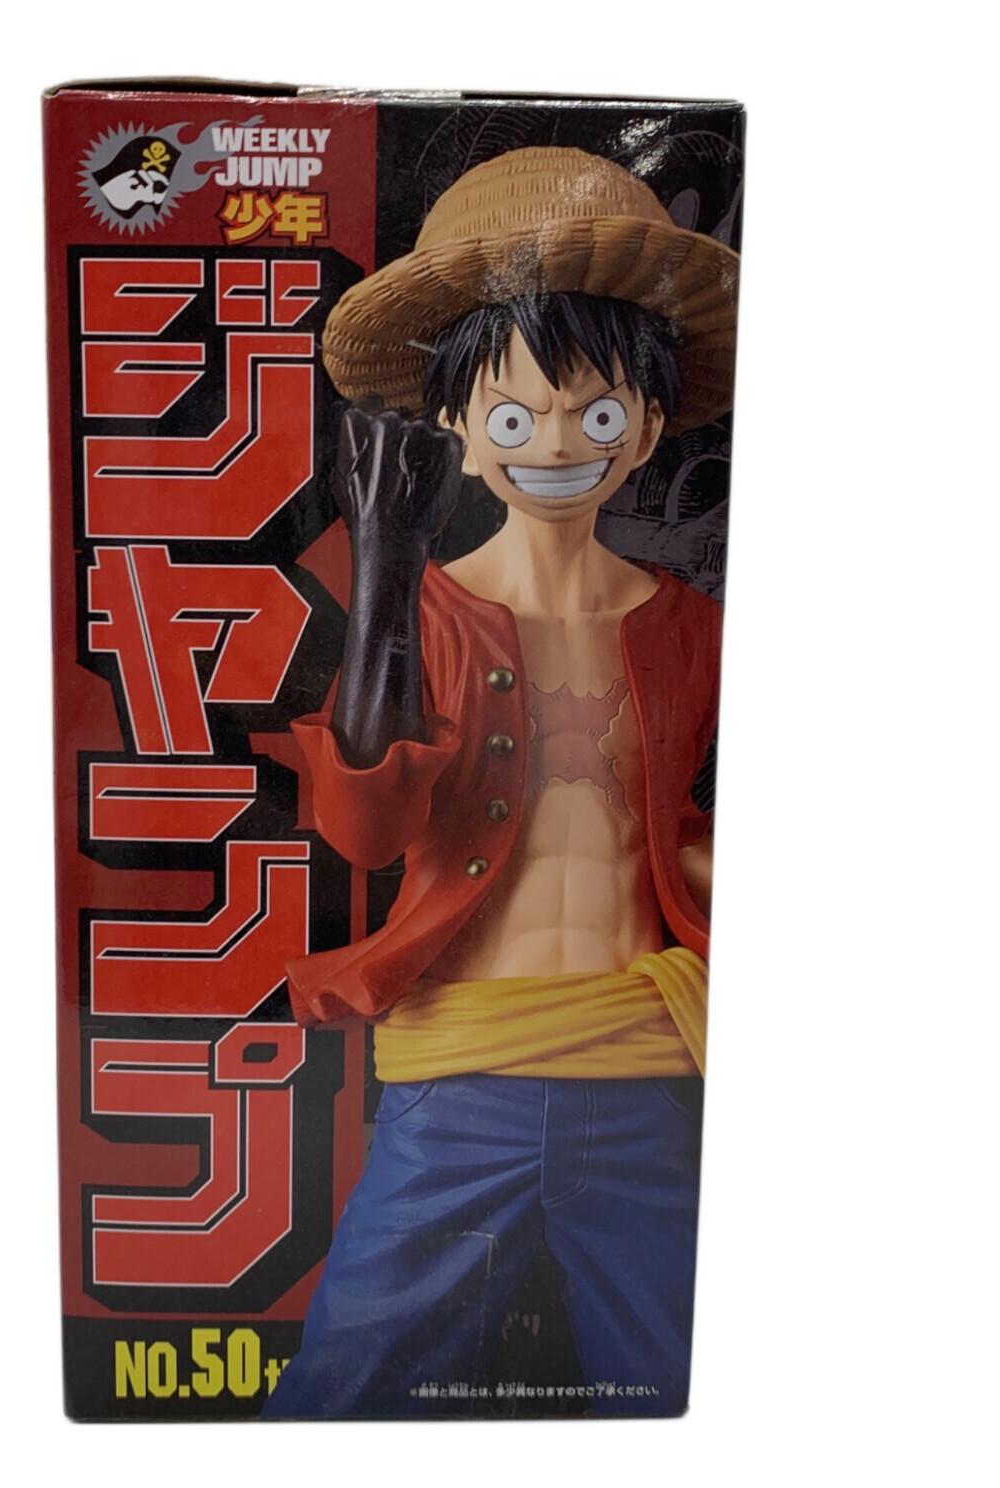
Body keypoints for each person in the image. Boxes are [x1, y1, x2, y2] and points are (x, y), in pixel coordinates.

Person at [264, 147, 739, 1418]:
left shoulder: (695, 626)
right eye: (517, 418)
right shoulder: (429, 615)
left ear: (648, 426)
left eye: (598, 414)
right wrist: (384, 565)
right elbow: (366, 834)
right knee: (343, 1389)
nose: (559, 444)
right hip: (461, 1073)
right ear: (461, 435)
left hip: (645, 1069)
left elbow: (687, 822)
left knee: (677, 1380)